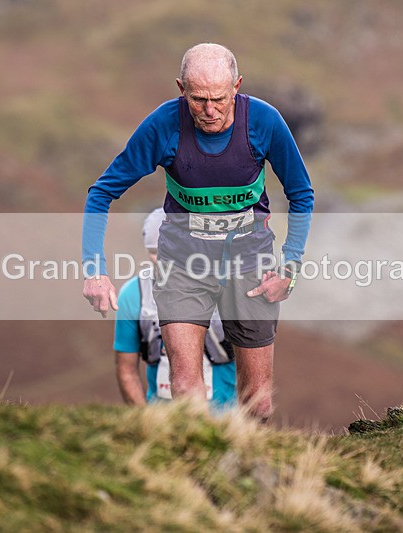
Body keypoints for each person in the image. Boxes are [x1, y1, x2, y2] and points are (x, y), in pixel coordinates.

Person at [83, 43, 314, 420]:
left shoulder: (264, 122)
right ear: (181, 89)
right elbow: (101, 193)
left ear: (237, 86)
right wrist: (94, 271)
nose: (210, 111)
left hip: (249, 260)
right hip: (182, 263)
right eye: (198, 99)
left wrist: (290, 267)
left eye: (220, 99)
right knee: (187, 392)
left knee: (259, 404)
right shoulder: (162, 125)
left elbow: (301, 193)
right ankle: (190, 471)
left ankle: (243, 474)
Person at [113, 207, 237, 412]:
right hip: (162, 423)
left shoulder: (230, 289)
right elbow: (126, 369)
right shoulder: (134, 294)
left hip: (228, 422)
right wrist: (146, 420)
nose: (162, 259)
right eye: (154, 252)